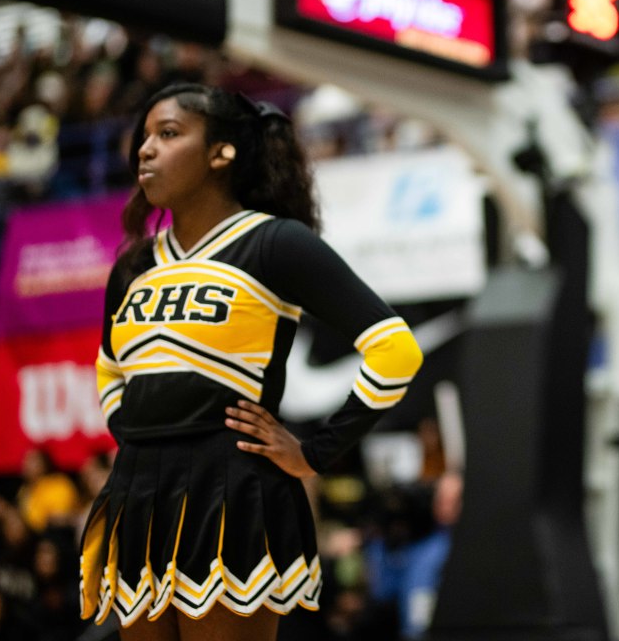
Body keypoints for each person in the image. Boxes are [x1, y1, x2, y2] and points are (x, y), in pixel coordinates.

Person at [78, 83, 424, 640]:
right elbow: (109, 364)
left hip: (230, 485)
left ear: (222, 153)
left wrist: (315, 453)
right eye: (144, 138)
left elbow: (394, 348)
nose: (145, 150)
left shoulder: (273, 243)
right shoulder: (135, 264)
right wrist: (134, 430)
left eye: (167, 135)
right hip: (140, 489)